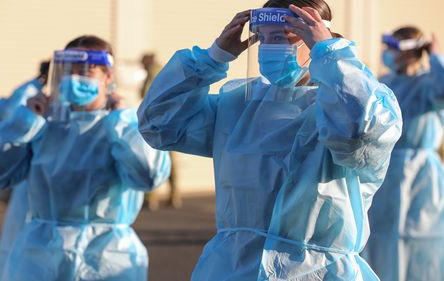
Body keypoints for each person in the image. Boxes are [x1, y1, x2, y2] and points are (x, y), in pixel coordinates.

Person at [138, 0, 402, 280]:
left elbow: (360, 131)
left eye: (281, 37)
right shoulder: (239, 106)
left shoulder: (351, 106)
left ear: (314, 38)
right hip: (234, 268)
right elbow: (159, 123)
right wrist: (214, 57)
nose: (268, 48)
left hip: (318, 271)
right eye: (263, 38)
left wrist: (330, 55)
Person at [0, 35, 170, 281]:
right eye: (70, 71)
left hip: (108, 257)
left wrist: (122, 123)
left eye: (86, 72)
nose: (76, 79)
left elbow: (149, 175)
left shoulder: (123, 127)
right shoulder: (43, 124)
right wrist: (25, 121)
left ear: (108, 76)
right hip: (41, 256)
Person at [363, 27, 444, 281]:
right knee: (380, 240)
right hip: (385, 172)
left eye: (394, 47)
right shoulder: (384, 83)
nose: (387, 53)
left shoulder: (429, 83)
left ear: (409, 51)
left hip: (422, 176)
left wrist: (435, 58)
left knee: (420, 240)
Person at [0, 60, 49, 281]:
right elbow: (9, 122)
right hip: (29, 174)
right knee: (20, 240)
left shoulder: (30, 90)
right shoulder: (31, 92)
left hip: (40, 178)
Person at [140, 53, 182, 210]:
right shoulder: (166, 70)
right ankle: (174, 195)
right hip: (170, 118)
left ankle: (151, 198)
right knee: (171, 160)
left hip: (157, 120)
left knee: (154, 159)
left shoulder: (152, 72)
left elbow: (146, 93)